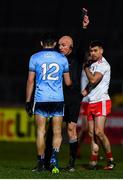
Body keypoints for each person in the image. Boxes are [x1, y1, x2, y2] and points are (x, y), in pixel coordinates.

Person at [25, 32, 72, 173]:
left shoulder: (34, 57)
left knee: (41, 132)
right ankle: (54, 161)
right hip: (57, 99)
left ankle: (40, 163)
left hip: (40, 99)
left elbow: (30, 81)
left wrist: (28, 101)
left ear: (41, 43)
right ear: (55, 43)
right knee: (57, 132)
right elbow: (68, 82)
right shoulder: (62, 58)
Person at [57, 12, 90, 171]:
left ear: (70, 46)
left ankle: (71, 164)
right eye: (59, 45)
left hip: (73, 98)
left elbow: (82, 44)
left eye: (63, 44)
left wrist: (84, 28)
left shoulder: (76, 57)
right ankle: (51, 161)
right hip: (57, 96)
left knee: (71, 129)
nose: (60, 47)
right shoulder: (56, 58)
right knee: (55, 129)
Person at [83, 40, 115, 170]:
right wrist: (84, 90)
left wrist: (85, 67)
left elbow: (93, 79)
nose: (93, 53)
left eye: (95, 50)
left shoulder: (103, 65)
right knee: (91, 133)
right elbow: (91, 83)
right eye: (91, 51)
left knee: (99, 132)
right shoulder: (93, 64)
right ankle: (94, 160)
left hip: (101, 101)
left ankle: (110, 160)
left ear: (101, 50)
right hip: (91, 101)